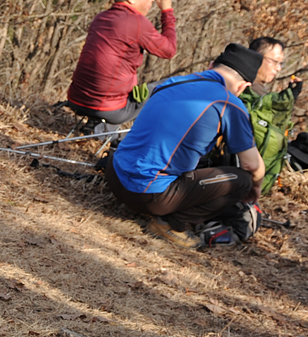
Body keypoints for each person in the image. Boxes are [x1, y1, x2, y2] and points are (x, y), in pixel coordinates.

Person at [104, 43, 266, 250]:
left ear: (211, 65)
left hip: (114, 175)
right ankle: (170, 225)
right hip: (148, 197)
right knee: (242, 181)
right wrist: (255, 190)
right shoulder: (229, 102)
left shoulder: (172, 82)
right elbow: (252, 165)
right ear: (244, 86)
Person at [67, 0, 177, 126]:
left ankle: (100, 127)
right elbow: (169, 50)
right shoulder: (137, 22)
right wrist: (167, 10)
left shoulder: (100, 18)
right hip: (108, 110)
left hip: (75, 100)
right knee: (173, 86)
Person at [242, 37, 302, 195]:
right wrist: (286, 101)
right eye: (274, 62)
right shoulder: (245, 87)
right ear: (256, 58)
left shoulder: (258, 89)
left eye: (280, 63)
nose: (278, 69)